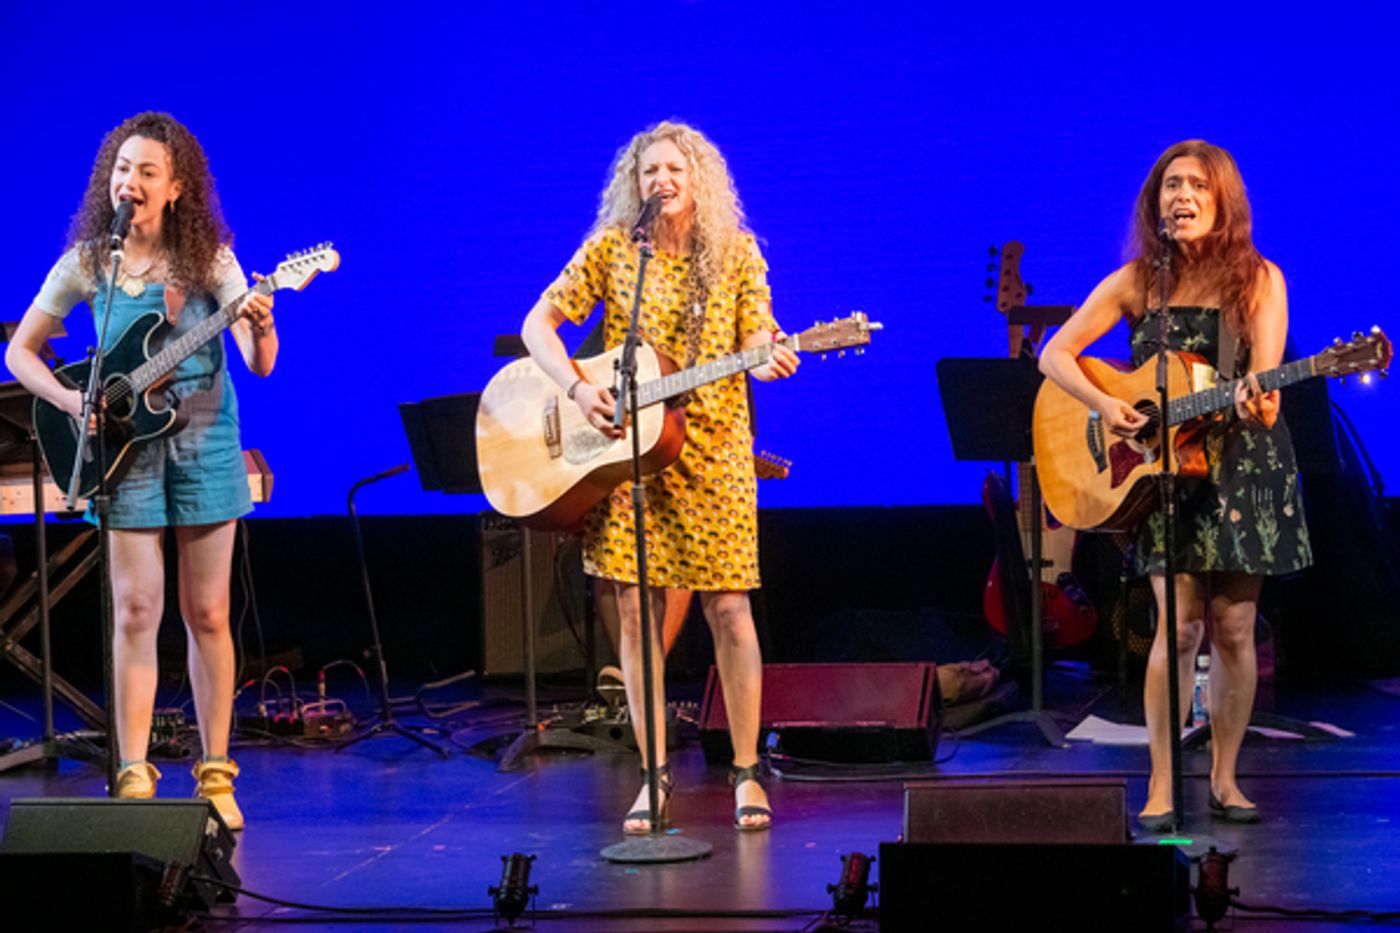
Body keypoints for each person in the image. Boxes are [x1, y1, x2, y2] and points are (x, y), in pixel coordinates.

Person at [521, 120, 798, 833]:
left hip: (714, 451)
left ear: (698, 179)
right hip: (632, 457)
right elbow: (537, 326)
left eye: (674, 169)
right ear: (634, 184)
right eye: (649, 171)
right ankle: (653, 776)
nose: (661, 181)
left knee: (728, 608)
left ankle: (746, 772)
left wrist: (767, 351)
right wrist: (578, 387)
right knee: (636, 613)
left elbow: (756, 330)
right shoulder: (616, 249)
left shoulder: (735, 253)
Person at [4, 112, 278, 830]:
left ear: (177, 187)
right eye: (122, 169)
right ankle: (131, 769)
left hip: (205, 441)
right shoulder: (89, 261)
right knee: (134, 611)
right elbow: (19, 352)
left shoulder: (210, 261)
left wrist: (263, 323)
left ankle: (215, 772)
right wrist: (71, 399)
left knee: (207, 612)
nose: (131, 181)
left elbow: (259, 362)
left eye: (147, 171)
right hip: (122, 450)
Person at [1039, 139, 1311, 830]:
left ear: (1223, 201)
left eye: (1196, 186)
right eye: (1171, 185)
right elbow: (1054, 355)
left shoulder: (1259, 279)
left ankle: (1224, 777)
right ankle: (1162, 784)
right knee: (1179, 625)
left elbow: (1267, 389)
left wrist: (1256, 397)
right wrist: (1105, 405)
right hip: (1165, 472)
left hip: (1243, 466)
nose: (1182, 196)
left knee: (1234, 626)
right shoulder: (1138, 282)